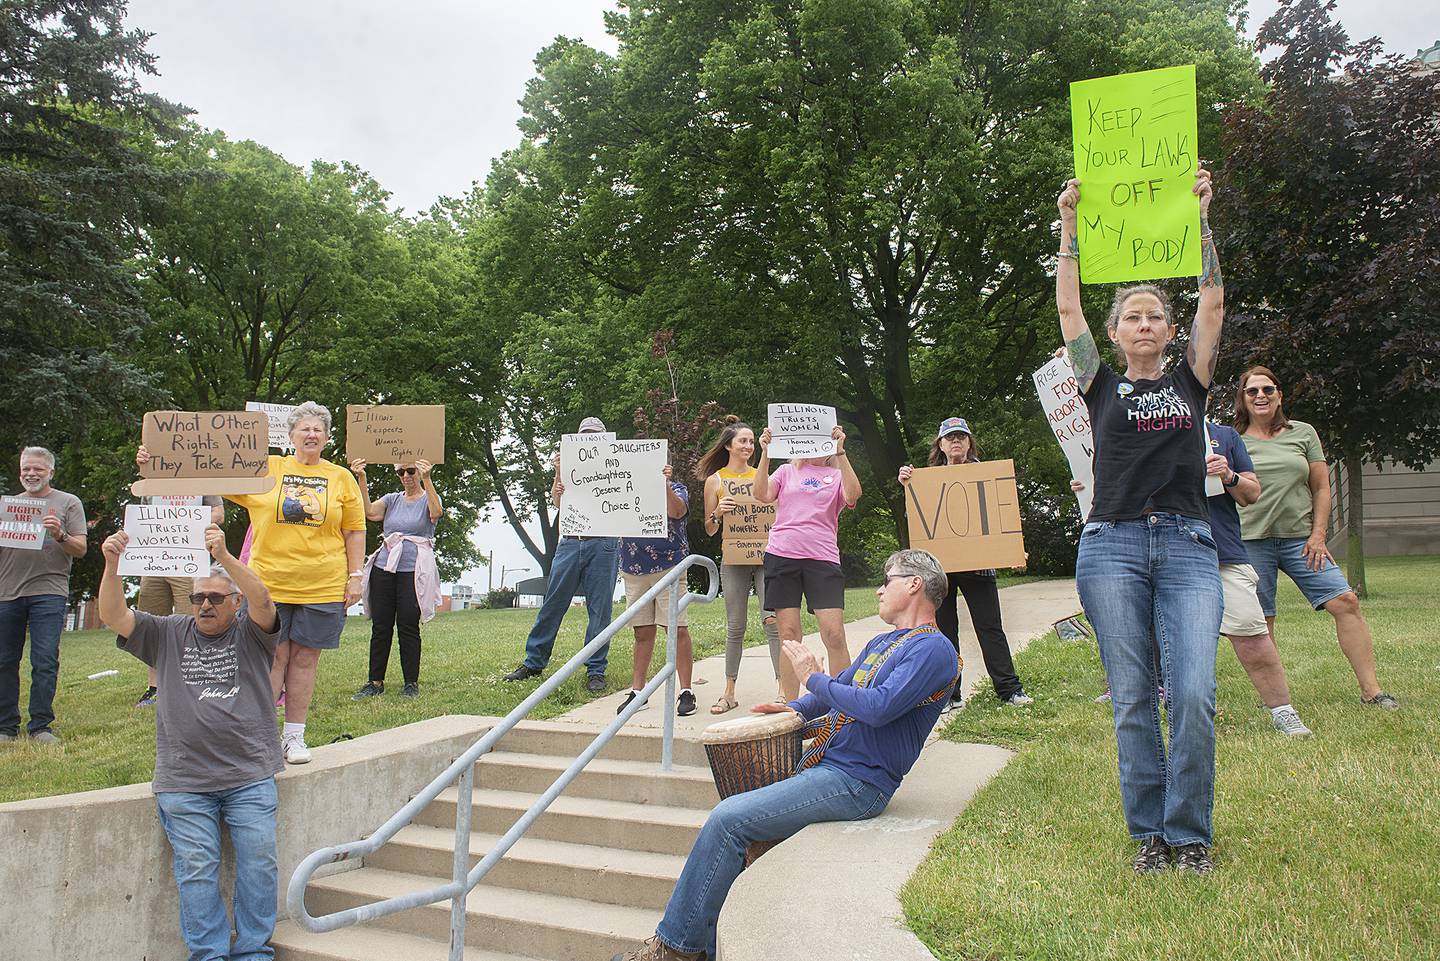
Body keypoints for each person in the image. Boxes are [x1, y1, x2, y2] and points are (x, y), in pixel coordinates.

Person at [610, 549, 959, 961]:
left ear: (915, 584)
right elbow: (838, 692)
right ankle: (701, 945)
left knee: (727, 821)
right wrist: (792, 709)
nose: (881, 588)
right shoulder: (885, 642)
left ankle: (675, 950)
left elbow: (878, 707)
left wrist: (811, 677)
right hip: (831, 768)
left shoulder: (935, 650)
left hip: (860, 782)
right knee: (735, 824)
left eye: (889, 579)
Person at [1057, 167, 1225, 875]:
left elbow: (1214, 301)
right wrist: (1068, 225)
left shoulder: (1190, 378)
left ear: (1170, 329)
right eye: (1133, 315)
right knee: (1132, 698)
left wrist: (1204, 218)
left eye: (1157, 314)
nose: (1146, 322)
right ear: (1117, 332)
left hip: (1187, 542)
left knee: (1191, 691)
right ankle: (1151, 835)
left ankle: (1191, 833)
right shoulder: (1098, 381)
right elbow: (1067, 310)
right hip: (1112, 544)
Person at [144, 402, 366, 764]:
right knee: (271, 658)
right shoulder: (267, 468)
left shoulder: (340, 477)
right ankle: (260, 736)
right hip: (268, 587)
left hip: (322, 585)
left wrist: (355, 577)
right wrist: (154, 460)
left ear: (327, 437)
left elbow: (355, 530)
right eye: (304, 428)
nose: (311, 435)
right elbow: (206, 474)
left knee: (306, 660)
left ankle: (294, 737)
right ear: (291, 435)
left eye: (318, 429)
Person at [99, 523, 281, 961]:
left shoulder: (252, 632)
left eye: (215, 598)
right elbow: (113, 617)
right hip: (183, 781)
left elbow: (264, 600)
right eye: (198, 597)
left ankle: (254, 952)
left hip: (249, 776)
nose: (204, 605)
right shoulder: (167, 632)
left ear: (234, 604)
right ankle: (209, 955)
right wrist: (111, 565)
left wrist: (225, 557)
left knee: (259, 865)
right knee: (197, 872)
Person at [1234, 367, 1397, 709]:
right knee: (1263, 620)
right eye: (1252, 391)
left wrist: (1318, 535)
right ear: (1243, 399)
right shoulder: (1233, 438)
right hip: (1250, 540)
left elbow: (1321, 487)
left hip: (1301, 540)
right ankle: (1278, 703)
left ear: (1279, 395)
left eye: (1268, 389)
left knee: (1346, 602)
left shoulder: (1302, 433)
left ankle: (1372, 692)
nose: (1261, 396)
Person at [898, 417, 1031, 710]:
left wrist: (1013, 549)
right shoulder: (925, 480)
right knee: (944, 632)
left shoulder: (988, 475)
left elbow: (1002, 518)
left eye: (961, 436)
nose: (956, 441)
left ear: (969, 443)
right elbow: (917, 521)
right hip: (941, 570)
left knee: (990, 628)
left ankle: (1009, 689)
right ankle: (949, 694)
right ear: (941, 445)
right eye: (950, 437)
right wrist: (908, 485)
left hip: (980, 566)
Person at [1204, 419, 1314, 736]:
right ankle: (1179, 713)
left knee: (1252, 636)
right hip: (1166, 551)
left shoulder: (1223, 437)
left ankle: (1283, 712)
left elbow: (1251, 492)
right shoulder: (1142, 430)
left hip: (1222, 550)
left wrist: (1228, 474)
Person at [502, 416, 619, 693]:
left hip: (603, 543)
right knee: (553, 603)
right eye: (585, 434)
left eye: (594, 435)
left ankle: (596, 669)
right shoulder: (569, 464)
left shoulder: (614, 463)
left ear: (602, 439)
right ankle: (534, 661)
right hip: (570, 541)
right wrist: (558, 473)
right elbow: (558, 502)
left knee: (600, 610)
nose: (589, 438)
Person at [752, 423, 861, 701]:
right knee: (789, 634)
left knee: (834, 634)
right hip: (782, 555)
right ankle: (790, 705)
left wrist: (841, 453)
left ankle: (844, 705)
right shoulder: (787, 471)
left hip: (822, 559)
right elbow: (761, 494)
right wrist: (764, 453)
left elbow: (853, 495)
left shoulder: (836, 475)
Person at [0, 446, 86, 745]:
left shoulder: (68, 502)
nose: (31, 474)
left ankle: (40, 726)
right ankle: (6, 727)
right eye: (26, 469)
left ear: (50, 472)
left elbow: (81, 549)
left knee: (45, 659)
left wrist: (60, 534)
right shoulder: (6, 505)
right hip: (7, 592)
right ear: (20, 471)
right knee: (4, 661)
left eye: (37, 469)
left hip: (48, 592)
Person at [697, 417, 781, 714]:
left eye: (751, 441)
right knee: (736, 627)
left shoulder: (763, 477)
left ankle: (783, 690)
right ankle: (729, 691)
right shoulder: (715, 481)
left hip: (766, 558)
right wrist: (718, 512)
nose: (747, 445)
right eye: (743, 440)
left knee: (772, 622)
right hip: (734, 559)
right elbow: (709, 528)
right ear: (728, 445)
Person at [349, 457, 442, 701]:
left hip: (413, 569)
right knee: (381, 625)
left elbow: (436, 512)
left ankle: (410, 682)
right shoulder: (392, 499)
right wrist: (361, 477)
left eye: (411, 471)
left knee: (408, 625)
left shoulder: (427, 497)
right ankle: (374, 681)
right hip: (385, 567)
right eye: (401, 472)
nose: (406, 476)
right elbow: (369, 512)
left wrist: (427, 478)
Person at [128, 480, 226, 708]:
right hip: (154, 559)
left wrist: (183, 523)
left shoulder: (199, 477)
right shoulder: (153, 481)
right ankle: (155, 687)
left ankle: (190, 684)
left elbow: (219, 514)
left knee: (192, 623)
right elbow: (142, 516)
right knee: (152, 623)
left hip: (188, 558)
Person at [616, 465, 697, 717]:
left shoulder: (677, 489)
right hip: (633, 566)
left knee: (676, 628)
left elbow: (677, 511)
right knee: (641, 631)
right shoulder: (624, 492)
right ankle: (638, 691)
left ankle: (686, 690)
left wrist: (663, 482)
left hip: (669, 566)